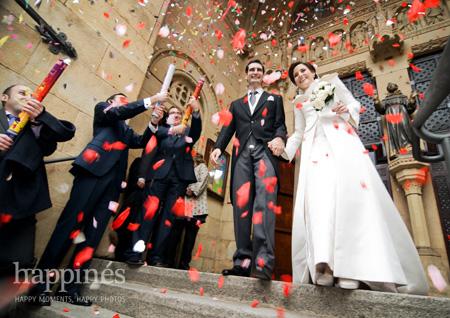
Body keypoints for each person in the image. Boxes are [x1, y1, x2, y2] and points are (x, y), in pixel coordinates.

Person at [283, 61, 428, 294]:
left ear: (313, 71)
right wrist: (284, 151)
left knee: (348, 202)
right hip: (315, 154)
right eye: (295, 75)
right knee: (320, 205)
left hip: (342, 145)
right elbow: (299, 132)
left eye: (303, 71)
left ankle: (350, 270)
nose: (300, 75)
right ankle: (325, 266)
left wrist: (345, 110)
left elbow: (353, 103)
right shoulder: (298, 103)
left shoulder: (331, 84)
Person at [32, 91, 167, 306]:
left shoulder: (125, 130)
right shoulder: (103, 110)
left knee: (92, 237)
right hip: (92, 173)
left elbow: (142, 141)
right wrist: (151, 100)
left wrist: (153, 122)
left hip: (112, 188)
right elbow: (119, 112)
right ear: (111, 102)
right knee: (68, 228)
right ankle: (38, 285)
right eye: (121, 100)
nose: (125, 103)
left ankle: (70, 288)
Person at [210, 59, 287, 280]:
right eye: (251, 69)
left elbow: (280, 125)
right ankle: (242, 262)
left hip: (265, 154)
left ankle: (262, 265)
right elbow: (228, 128)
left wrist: (280, 138)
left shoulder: (275, 99)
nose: (255, 72)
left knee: (264, 205)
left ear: (263, 76)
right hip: (241, 155)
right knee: (241, 207)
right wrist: (217, 148)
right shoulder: (236, 104)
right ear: (247, 74)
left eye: (259, 70)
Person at [0, 84, 75, 277]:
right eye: (22, 93)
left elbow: (60, 137)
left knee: (20, 262)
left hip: (22, 203)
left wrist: (41, 118)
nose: (28, 97)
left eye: (31, 95)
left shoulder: (37, 126)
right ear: (4, 98)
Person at [124, 97, 202, 267]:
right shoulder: (160, 130)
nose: (175, 115)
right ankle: (135, 253)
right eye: (172, 113)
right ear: (167, 118)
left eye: (178, 113)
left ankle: (156, 257)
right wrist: (143, 175)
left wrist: (196, 111)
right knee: (147, 214)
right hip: (158, 176)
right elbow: (149, 146)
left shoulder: (187, 131)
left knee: (168, 218)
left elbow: (197, 130)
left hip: (178, 179)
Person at [166, 153, 209, 270]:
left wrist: (191, 189)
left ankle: (184, 264)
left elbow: (203, 181)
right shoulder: (186, 168)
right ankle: (169, 261)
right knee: (175, 234)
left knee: (190, 237)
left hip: (196, 208)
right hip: (184, 207)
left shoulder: (202, 167)